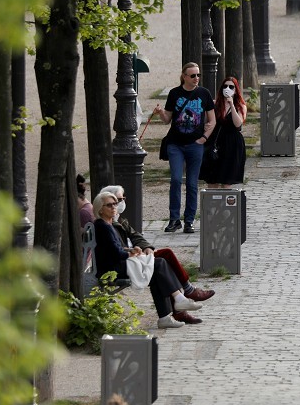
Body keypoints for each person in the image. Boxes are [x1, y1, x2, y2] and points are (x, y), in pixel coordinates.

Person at [100, 184, 216, 324]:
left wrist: (146, 247)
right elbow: (115, 249)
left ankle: (169, 314)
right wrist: (133, 251)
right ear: (102, 207)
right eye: (117, 200)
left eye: (120, 200)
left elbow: (136, 236)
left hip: (134, 256)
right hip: (127, 261)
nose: (119, 204)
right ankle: (185, 294)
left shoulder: (119, 220)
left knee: (161, 264)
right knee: (162, 260)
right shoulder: (106, 224)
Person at [153, 62, 216, 233]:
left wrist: (203, 138)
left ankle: (189, 220)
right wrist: (160, 113)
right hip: (175, 144)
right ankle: (174, 219)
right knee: (175, 180)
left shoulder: (204, 93)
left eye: (198, 75)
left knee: (192, 183)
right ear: (184, 76)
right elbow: (167, 119)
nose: (197, 78)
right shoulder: (174, 93)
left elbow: (212, 120)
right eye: (193, 75)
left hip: (195, 145)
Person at [199, 76, 247, 188]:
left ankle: (225, 204)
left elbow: (238, 124)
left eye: (231, 87)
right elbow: (207, 121)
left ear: (236, 90)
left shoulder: (240, 106)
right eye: (225, 86)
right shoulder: (215, 104)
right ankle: (212, 204)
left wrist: (231, 105)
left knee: (227, 180)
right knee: (212, 179)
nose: (228, 88)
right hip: (216, 142)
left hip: (232, 143)